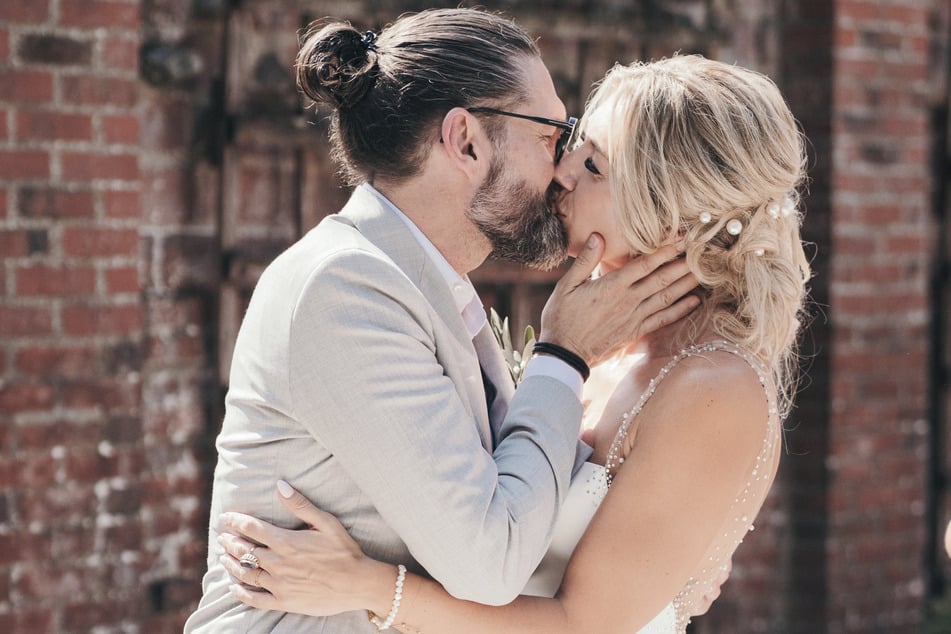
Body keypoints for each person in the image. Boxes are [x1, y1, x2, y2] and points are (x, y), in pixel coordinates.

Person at [216, 54, 811, 633]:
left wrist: (369, 587)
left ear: (677, 213)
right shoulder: (597, 357)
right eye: (571, 147)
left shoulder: (715, 390)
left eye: (595, 167)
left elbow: (582, 623)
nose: (562, 173)